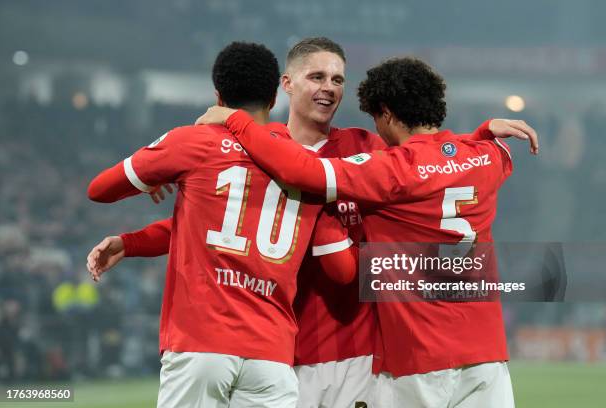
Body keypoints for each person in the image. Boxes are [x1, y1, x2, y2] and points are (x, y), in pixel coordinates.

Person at [196, 56, 538, 408]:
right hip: (486, 355)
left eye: (377, 119)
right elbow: (458, 155)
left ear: (386, 113)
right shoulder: (489, 156)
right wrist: (480, 133)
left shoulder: (391, 170)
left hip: (419, 355)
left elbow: (298, 170)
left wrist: (236, 120)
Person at [87, 41, 356, 408]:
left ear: (217, 96)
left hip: (201, 344)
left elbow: (99, 190)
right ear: (275, 95)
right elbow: (342, 270)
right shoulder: (305, 165)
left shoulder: (191, 142)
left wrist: (153, 176)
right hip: (272, 355)